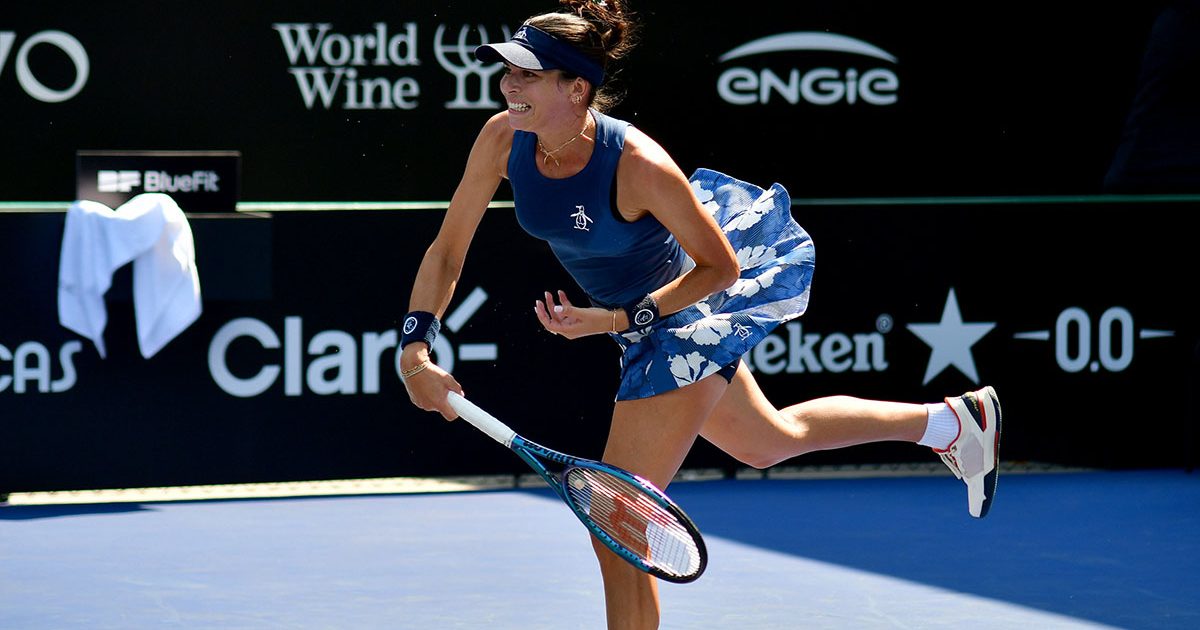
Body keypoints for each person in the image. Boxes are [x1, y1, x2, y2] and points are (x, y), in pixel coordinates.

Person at [398, 2, 1001, 628]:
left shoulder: (636, 165)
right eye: (507, 73)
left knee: (617, 525)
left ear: (576, 89)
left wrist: (619, 320)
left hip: (682, 314)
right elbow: (447, 251)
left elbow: (720, 270)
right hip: (635, 322)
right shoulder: (503, 137)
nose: (507, 86)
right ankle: (952, 423)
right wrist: (416, 345)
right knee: (768, 441)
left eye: (526, 75)